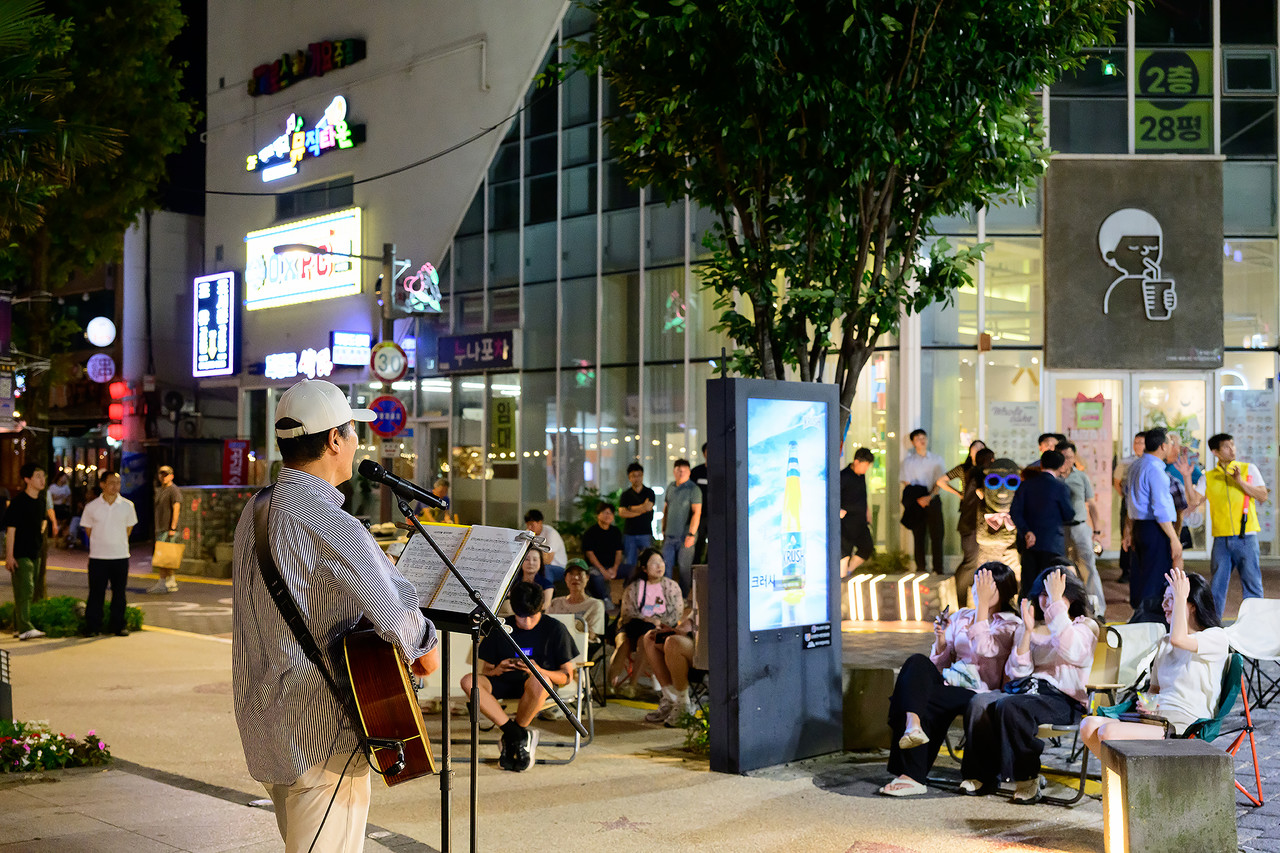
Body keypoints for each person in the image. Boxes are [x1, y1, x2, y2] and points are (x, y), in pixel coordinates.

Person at [232, 378, 439, 850]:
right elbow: (398, 620)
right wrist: (425, 647)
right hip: (323, 728)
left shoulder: (256, 511)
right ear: (332, 440)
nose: (356, 443)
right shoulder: (329, 522)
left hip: (266, 718)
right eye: (352, 432)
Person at [877, 563, 1020, 796]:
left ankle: (911, 774)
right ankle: (913, 727)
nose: (978, 590)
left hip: (980, 692)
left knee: (918, 697)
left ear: (1003, 591)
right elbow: (940, 665)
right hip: (950, 683)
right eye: (976, 583)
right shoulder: (962, 617)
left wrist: (982, 607)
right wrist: (942, 641)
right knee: (916, 663)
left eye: (987, 586)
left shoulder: (1010, 624)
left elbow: (983, 648)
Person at [960, 568, 1098, 803]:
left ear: (1071, 598)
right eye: (1044, 594)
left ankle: (1027, 777)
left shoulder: (1082, 627)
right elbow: (1017, 672)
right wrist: (1026, 633)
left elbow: (1073, 651)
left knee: (1012, 707)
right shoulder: (1031, 624)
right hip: (1028, 692)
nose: (1047, 600)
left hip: (1065, 700)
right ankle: (982, 775)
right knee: (980, 702)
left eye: (1054, 594)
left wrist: (1056, 608)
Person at [1079, 568, 1227, 757]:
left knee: (1109, 733)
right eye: (1164, 598)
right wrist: (1148, 704)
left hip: (1185, 724)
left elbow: (1179, 639)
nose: (1164, 604)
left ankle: (1132, 781)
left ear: (1192, 605)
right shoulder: (1165, 643)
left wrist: (1181, 597)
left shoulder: (1215, 637)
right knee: (1088, 725)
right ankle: (1126, 781)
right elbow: (1154, 689)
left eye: (1171, 598)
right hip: (1157, 718)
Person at [462, 581, 577, 772]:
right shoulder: (501, 627)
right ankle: (517, 734)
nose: (527, 622)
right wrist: (497, 669)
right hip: (503, 681)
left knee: (541, 681)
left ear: (540, 608)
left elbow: (566, 677)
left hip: (536, 687)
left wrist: (538, 670)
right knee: (468, 681)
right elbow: (486, 671)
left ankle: (512, 738)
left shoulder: (555, 629)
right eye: (521, 617)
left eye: (532, 616)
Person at [1197, 432, 1268, 616]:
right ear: (1215, 452)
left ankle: (1254, 623)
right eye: (1227, 447)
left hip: (1247, 536)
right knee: (1217, 588)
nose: (1232, 449)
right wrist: (1187, 476)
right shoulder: (1209, 477)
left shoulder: (1248, 469)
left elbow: (1262, 495)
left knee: (1252, 584)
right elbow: (1193, 501)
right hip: (1221, 539)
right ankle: (1213, 626)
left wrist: (1240, 482)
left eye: (1233, 445)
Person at [1123, 427, 1183, 623]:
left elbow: (1129, 502)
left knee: (1140, 575)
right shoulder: (1155, 470)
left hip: (1139, 527)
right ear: (1162, 446)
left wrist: (1129, 530)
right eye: (1169, 443)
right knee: (1155, 579)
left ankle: (1140, 617)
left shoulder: (1135, 466)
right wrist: (1174, 538)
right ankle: (1147, 623)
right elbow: (1161, 509)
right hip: (1154, 529)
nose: (1171, 447)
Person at [609, 547, 683, 693]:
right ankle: (610, 685)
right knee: (623, 642)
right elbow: (627, 612)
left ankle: (632, 685)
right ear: (644, 568)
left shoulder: (671, 587)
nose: (659, 566)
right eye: (654, 563)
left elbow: (676, 613)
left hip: (658, 629)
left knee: (646, 639)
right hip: (632, 626)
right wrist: (645, 618)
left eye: (661, 562)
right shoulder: (634, 587)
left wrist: (658, 622)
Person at [1009, 450, 1075, 596]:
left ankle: (1026, 613)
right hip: (1052, 542)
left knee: (1028, 582)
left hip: (1029, 543)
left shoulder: (1025, 485)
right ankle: (1046, 613)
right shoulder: (1060, 487)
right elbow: (1068, 514)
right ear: (1060, 466)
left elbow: (1015, 512)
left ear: (1042, 464)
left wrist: (1026, 531)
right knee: (1050, 583)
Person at [81, 472, 138, 637]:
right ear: (102, 484)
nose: (115, 486)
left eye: (118, 483)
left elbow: (128, 529)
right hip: (98, 557)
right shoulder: (92, 507)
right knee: (96, 593)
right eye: (111, 483)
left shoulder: (127, 506)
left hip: (120, 556)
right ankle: (93, 626)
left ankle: (118, 625)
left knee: (119, 593)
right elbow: (88, 530)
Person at [1058, 442, 1106, 618]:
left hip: (1080, 527)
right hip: (1060, 529)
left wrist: (1097, 531)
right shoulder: (1052, 477)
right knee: (1061, 569)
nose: (1067, 461)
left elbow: (1091, 505)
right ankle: (1064, 610)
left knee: (1088, 568)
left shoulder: (1081, 477)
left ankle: (1098, 610)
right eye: (1063, 457)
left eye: (1070, 457)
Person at [5, 463, 49, 640]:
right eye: (38, 476)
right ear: (27, 479)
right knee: (26, 589)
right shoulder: (18, 502)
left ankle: (18, 627)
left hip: (34, 551)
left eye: (43, 476)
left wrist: (41, 528)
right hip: (20, 553)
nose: (42, 480)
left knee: (24, 591)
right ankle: (25, 628)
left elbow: (43, 520)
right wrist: (9, 556)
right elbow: (11, 530)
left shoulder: (41, 500)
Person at [640, 600, 697, 727]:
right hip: (694, 642)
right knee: (651, 638)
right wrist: (675, 630)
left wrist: (683, 634)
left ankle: (683, 704)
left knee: (673, 642)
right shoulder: (704, 591)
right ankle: (670, 699)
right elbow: (691, 620)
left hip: (712, 649)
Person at [938, 441, 985, 586]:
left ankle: (966, 590)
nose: (977, 452)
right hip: (969, 517)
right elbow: (940, 481)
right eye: (975, 449)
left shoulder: (985, 470)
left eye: (981, 450)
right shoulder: (965, 469)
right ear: (970, 452)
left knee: (976, 559)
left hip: (977, 517)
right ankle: (961, 591)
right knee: (971, 559)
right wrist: (959, 494)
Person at [952, 448, 996, 602]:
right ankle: (961, 599)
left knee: (970, 561)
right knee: (970, 562)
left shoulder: (972, 473)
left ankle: (962, 596)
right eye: (992, 459)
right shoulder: (980, 475)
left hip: (968, 524)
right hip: (972, 525)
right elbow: (982, 496)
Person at [899, 429, 946, 574]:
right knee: (919, 536)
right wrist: (917, 500)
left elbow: (941, 481)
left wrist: (930, 497)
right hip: (916, 501)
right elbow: (906, 483)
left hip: (933, 498)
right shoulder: (908, 462)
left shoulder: (937, 459)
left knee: (937, 535)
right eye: (918, 438)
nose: (922, 440)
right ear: (913, 442)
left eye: (924, 437)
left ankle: (938, 568)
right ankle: (921, 568)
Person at [661, 458, 702, 595]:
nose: (681, 473)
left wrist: (691, 534)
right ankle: (666, 596)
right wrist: (663, 527)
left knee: (684, 569)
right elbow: (666, 508)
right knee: (665, 566)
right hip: (669, 534)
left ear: (689, 472)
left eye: (684, 471)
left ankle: (683, 596)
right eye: (678, 471)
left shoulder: (694, 489)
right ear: (674, 471)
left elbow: (697, 512)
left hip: (685, 536)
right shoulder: (671, 487)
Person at [1113, 431, 1146, 584]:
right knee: (1126, 536)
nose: (1138, 446)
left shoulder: (1151, 462)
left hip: (1144, 507)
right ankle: (1125, 570)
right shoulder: (1125, 462)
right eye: (1136, 442)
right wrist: (1126, 498)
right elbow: (1117, 482)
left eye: (1141, 442)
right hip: (1128, 504)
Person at [547, 559, 606, 641]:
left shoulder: (595, 605)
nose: (575, 577)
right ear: (565, 578)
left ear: (587, 577)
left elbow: (591, 635)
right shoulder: (555, 603)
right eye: (571, 574)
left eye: (579, 573)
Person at [840, 448, 875, 577]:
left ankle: (849, 570)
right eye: (864, 465)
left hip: (860, 521)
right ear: (856, 462)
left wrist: (867, 511)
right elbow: (834, 495)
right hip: (846, 522)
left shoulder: (861, 476)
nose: (866, 469)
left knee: (867, 547)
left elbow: (863, 495)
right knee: (844, 553)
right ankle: (842, 578)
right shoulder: (843, 476)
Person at [616, 462, 656, 576]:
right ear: (629, 478)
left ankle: (648, 586)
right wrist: (641, 509)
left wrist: (630, 509)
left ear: (642, 476)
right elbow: (622, 513)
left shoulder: (649, 492)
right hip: (630, 533)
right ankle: (630, 585)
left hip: (646, 532)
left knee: (649, 561)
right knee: (630, 563)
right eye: (634, 476)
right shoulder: (625, 495)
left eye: (639, 475)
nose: (636, 478)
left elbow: (648, 507)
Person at [148, 465, 183, 594]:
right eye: (161, 474)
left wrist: (172, 527)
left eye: (166, 474)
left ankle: (162, 582)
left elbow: (176, 508)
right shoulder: (161, 490)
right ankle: (171, 581)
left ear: (171, 476)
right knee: (167, 556)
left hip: (167, 528)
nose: (163, 477)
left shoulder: (173, 490)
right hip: (161, 527)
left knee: (163, 557)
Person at [580, 501, 623, 604]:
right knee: (597, 577)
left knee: (633, 571)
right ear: (598, 515)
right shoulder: (590, 532)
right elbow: (590, 555)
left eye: (610, 513)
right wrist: (603, 571)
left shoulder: (615, 531)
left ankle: (626, 599)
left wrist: (615, 568)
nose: (607, 515)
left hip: (612, 567)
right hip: (595, 567)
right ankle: (605, 600)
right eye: (604, 512)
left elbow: (619, 552)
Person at [523, 508, 567, 583]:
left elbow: (548, 560)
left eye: (532, 525)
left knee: (546, 569)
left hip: (558, 567)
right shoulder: (528, 533)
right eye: (527, 525)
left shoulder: (551, 533)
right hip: (538, 564)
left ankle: (546, 592)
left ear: (540, 522)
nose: (529, 528)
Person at [512, 542, 554, 611]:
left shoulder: (547, 585)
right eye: (527, 559)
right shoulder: (513, 583)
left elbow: (545, 606)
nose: (531, 563)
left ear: (540, 562)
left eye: (535, 560)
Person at [689, 443, 710, 564]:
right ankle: (696, 569)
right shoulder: (697, 471)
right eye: (707, 451)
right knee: (699, 543)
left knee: (714, 544)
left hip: (715, 515)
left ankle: (709, 568)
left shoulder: (721, 470)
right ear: (703, 453)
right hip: (699, 515)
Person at [48, 472, 71, 544]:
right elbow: (50, 498)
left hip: (63, 507)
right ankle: (56, 540)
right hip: (55, 507)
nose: (64, 479)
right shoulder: (53, 487)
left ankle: (62, 538)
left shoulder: (66, 487)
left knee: (64, 523)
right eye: (63, 477)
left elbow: (69, 498)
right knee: (55, 523)